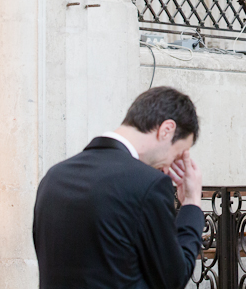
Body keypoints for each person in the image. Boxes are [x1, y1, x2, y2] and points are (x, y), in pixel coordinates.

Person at [33, 86, 204, 289]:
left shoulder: (54, 177)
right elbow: (173, 278)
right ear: (166, 130)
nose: (169, 167)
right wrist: (192, 204)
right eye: (177, 154)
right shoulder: (148, 183)